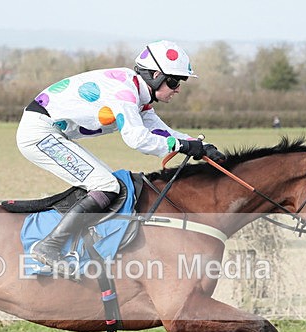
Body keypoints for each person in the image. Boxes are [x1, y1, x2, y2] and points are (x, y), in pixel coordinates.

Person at [16, 39, 225, 274]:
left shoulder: (137, 93)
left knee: (110, 184)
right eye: (174, 81)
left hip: (50, 132)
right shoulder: (125, 93)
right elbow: (137, 138)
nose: (177, 89)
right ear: (156, 75)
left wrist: (200, 145)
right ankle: (49, 246)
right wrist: (182, 146)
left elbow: (159, 130)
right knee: (106, 185)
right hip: (39, 134)